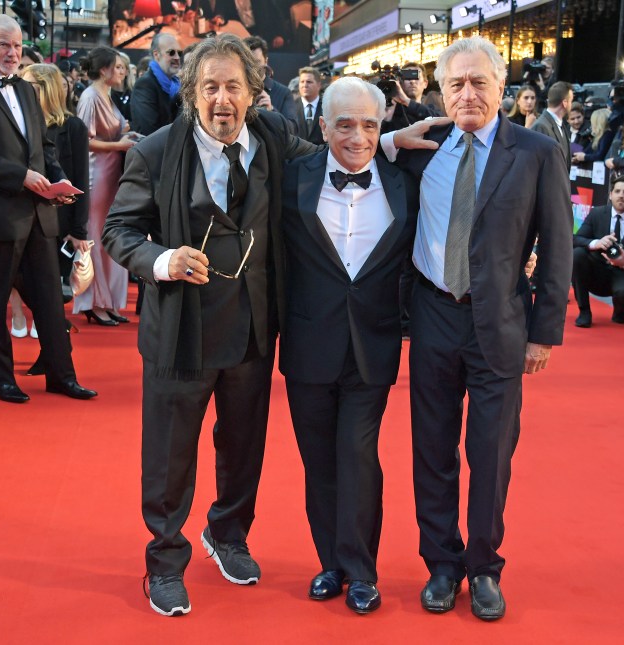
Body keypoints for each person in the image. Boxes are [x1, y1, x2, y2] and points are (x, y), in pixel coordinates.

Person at [101, 33, 319, 617]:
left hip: (252, 326)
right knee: (172, 452)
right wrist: (162, 260)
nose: (222, 100)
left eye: (233, 87)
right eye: (210, 87)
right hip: (182, 328)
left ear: (254, 91)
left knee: (244, 445)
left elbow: (332, 160)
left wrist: (390, 138)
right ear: (191, 93)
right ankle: (165, 561)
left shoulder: (273, 137)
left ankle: (227, 534)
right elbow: (118, 231)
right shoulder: (154, 150)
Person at [382, 36, 572, 621]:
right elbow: (351, 146)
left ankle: (485, 568)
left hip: (501, 321)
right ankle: (442, 564)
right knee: (431, 448)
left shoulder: (537, 152)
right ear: (440, 91)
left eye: (478, 82)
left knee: (491, 454)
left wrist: (544, 332)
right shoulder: (422, 145)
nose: (467, 93)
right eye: (455, 84)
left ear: (501, 87)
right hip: (433, 314)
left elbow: (558, 246)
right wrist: (390, 137)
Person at [280, 76, 418, 615]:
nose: (358, 136)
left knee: (357, 455)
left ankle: (361, 570)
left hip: (373, 345)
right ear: (322, 126)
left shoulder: (407, 179)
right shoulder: (294, 179)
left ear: (383, 126)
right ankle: (330, 563)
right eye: (344, 124)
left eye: (370, 125)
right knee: (319, 461)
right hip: (309, 342)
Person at [0, 14, 97, 403]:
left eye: (17, 45)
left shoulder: (27, 90)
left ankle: (62, 375)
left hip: (40, 214)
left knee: (49, 298)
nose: (13, 53)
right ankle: (3, 379)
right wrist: (22, 177)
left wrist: (58, 183)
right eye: (4, 45)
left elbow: (43, 148)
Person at [20, 63, 91, 377]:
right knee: (29, 287)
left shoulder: (72, 126)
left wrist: (77, 230)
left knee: (49, 290)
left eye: (29, 83)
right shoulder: (21, 123)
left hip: (58, 222)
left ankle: (53, 352)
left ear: (45, 87)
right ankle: (56, 342)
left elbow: (80, 179)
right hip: (23, 218)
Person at [73, 47, 137, 326]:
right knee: (96, 239)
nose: (123, 72)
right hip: (97, 175)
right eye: (119, 67)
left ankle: (108, 302)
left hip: (112, 174)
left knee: (112, 237)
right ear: (104, 70)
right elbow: (83, 140)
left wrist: (126, 135)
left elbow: (111, 132)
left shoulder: (107, 96)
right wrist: (119, 144)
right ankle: (93, 302)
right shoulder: (89, 97)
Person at [572, 175, 624, 327]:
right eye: (617, 191)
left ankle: (620, 308)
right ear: (610, 195)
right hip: (598, 271)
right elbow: (576, 239)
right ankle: (584, 311)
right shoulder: (597, 214)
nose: (621, 195)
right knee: (577, 254)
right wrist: (597, 243)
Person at [130, 32, 182, 136]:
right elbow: (150, 130)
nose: (177, 57)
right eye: (171, 52)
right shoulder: (145, 85)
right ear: (156, 55)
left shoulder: (177, 85)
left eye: (179, 53)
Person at [243, 36, 296, 127]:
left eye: (257, 62)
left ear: (266, 61)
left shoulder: (283, 93)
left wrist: (271, 110)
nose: (252, 67)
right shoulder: (235, 91)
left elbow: (293, 130)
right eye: (248, 62)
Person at [382, 62, 440, 133]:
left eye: (416, 77)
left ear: (425, 83)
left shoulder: (432, 110)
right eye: (408, 77)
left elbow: (440, 124)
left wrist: (406, 101)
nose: (412, 81)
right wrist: (388, 114)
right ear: (400, 82)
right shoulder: (393, 110)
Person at [531, 81, 573, 169]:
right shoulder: (541, 126)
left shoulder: (562, 125)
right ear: (565, 103)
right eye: (571, 101)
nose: (571, 105)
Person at [296, 65, 323, 144]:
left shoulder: (327, 107)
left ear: (319, 85)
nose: (305, 85)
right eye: (302, 82)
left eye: (309, 82)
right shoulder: (291, 106)